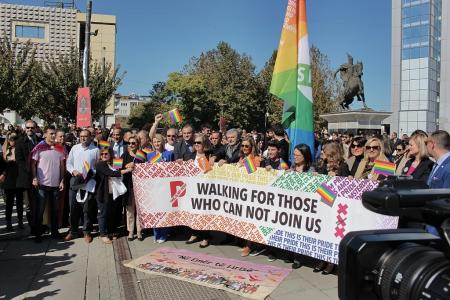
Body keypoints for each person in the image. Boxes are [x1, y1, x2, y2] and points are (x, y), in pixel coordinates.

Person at [65, 129, 100, 243]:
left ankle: (87, 231)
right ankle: (73, 231)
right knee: (73, 207)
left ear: (90, 137)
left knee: (87, 209)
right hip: (75, 180)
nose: (83, 138)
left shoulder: (95, 150)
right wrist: (73, 171)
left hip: (89, 182)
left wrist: (91, 172)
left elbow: (98, 166)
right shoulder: (75, 148)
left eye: (85, 136)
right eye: (81, 136)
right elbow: (68, 163)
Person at [31, 126, 65, 242]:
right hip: (42, 184)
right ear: (45, 134)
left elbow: (62, 166)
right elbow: (33, 164)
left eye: (54, 133)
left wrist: (62, 180)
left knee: (55, 210)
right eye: (51, 133)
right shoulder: (39, 148)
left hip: (55, 185)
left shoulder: (59, 148)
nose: (53, 136)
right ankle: (38, 234)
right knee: (40, 210)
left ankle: (54, 232)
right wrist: (34, 177)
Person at [95, 147, 133, 244]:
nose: (104, 155)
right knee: (103, 214)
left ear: (110, 154)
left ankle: (111, 232)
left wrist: (131, 162)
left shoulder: (114, 162)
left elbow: (122, 166)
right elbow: (111, 173)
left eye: (106, 154)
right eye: (102, 154)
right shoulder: (100, 164)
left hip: (114, 193)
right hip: (103, 194)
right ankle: (103, 234)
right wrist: (127, 170)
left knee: (112, 213)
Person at [186, 133, 212, 248]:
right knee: (194, 213)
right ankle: (195, 233)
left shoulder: (208, 156)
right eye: (195, 142)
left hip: (204, 190)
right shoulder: (190, 156)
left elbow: (208, 171)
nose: (196, 144)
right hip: (192, 189)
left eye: (199, 142)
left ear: (204, 144)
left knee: (204, 213)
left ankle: (206, 237)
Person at [237, 136, 261, 257]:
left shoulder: (256, 158)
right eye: (243, 146)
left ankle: (249, 245)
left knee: (251, 219)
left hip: (252, 193)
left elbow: (252, 172)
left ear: (252, 147)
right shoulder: (241, 157)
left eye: (247, 146)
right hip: (242, 192)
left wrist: (243, 164)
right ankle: (247, 243)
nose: (244, 148)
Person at [15, 120, 40, 233]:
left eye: (32, 127)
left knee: (39, 202)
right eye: (28, 127)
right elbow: (19, 161)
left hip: (40, 176)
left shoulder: (39, 141)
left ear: (36, 129)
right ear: (25, 129)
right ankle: (33, 228)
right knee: (29, 205)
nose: (30, 129)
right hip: (26, 178)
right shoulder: (20, 142)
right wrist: (31, 174)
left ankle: (39, 225)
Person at [121, 134, 146, 241]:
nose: (131, 145)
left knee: (140, 210)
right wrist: (126, 169)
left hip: (140, 186)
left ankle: (139, 231)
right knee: (130, 210)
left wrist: (135, 164)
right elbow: (117, 170)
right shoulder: (123, 155)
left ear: (137, 144)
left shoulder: (142, 155)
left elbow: (146, 168)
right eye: (129, 143)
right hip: (128, 185)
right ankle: (130, 231)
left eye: (133, 143)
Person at [152, 134, 174, 242]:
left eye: (158, 141)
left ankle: (164, 234)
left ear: (162, 142)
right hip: (154, 188)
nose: (156, 144)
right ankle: (156, 234)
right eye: (154, 141)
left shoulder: (169, 154)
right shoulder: (149, 155)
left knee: (165, 212)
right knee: (155, 212)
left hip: (166, 188)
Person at [2, 133, 24, 231]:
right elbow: (3, 163)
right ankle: (8, 222)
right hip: (9, 178)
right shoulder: (5, 149)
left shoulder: (20, 149)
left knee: (19, 202)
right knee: (9, 202)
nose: (13, 141)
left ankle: (20, 221)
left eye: (15, 139)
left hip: (18, 176)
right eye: (11, 139)